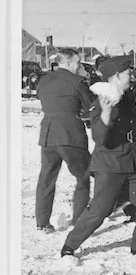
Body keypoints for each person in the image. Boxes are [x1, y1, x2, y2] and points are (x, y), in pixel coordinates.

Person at [61, 56, 136, 258]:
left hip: (132, 163)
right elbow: (99, 138)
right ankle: (69, 246)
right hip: (110, 165)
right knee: (99, 211)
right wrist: (106, 113)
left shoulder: (128, 97)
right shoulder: (101, 101)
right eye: (128, 73)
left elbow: (135, 131)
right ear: (116, 76)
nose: (131, 76)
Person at [35, 48, 94, 233]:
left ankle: (42, 223)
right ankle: (79, 220)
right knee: (83, 176)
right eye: (77, 62)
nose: (79, 66)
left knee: (46, 178)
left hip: (48, 135)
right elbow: (91, 106)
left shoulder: (44, 80)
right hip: (71, 135)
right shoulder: (78, 82)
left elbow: (43, 98)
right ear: (68, 63)